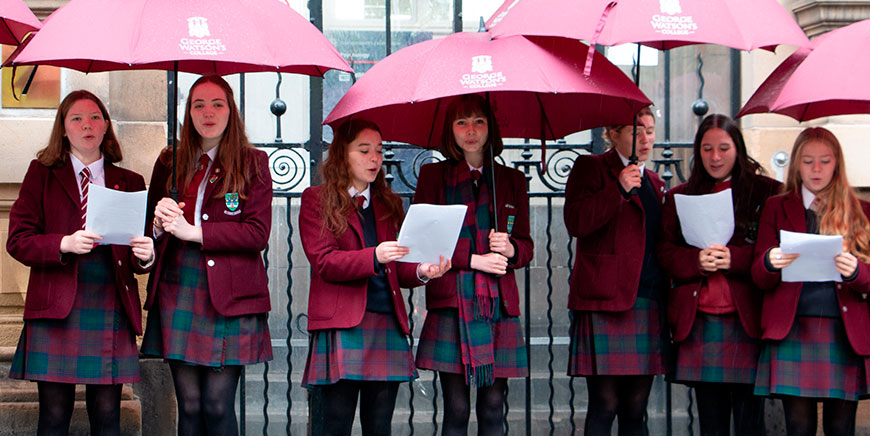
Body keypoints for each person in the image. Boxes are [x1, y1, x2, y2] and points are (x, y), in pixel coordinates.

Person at [7, 90, 154, 436]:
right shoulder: (41, 174)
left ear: (106, 128)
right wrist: (64, 243)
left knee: (108, 417)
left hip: (109, 301)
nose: (86, 125)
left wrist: (146, 256)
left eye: (95, 117)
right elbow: (18, 241)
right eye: (76, 118)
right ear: (63, 129)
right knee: (54, 416)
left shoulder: (130, 181)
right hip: (57, 304)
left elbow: (137, 253)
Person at [299, 119, 450, 435]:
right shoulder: (317, 200)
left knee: (379, 426)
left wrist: (422, 271)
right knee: (334, 425)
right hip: (343, 325)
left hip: (387, 322)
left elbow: (400, 264)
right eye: (364, 150)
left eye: (379, 151)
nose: (374, 159)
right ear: (342, 154)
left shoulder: (388, 203)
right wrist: (374, 255)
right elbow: (325, 262)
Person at [141, 75, 273, 436]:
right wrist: (157, 224)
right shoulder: (170, 160)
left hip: (229, 296)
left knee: (216, 405)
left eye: (217, 104)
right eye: (198, 104)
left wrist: (193, 232)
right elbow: (146, 233)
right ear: (188, 112)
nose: (208, 112)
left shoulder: (253, 163)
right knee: (190, 406)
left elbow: (257, 233)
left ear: (231, 111)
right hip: (178, 285)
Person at [412, 94, 533, 436]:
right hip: (453, 303)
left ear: (490, 127)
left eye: (479, 121)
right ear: (450, 130)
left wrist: (510, 248)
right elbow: (425, 240)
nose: (471, 130)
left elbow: (526, 246)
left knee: (494, 408)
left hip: (498, 305)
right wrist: (475, 259)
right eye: (461, 122)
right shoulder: (434, 177)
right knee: (457, 408)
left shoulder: (510, 180)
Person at [657, 114, 781, 435]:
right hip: (699, 321)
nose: (715, 157)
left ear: (738, 149)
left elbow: (775, 251)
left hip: (746, 320)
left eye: (724, 148)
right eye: (707, 148)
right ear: (697, 151)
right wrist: (697, 260)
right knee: (711, 421)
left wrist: (734, 259)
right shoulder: (680, 196)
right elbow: (666, 254)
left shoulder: (767, 193)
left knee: (750, 423)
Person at [752, 127, 870, 436]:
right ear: (796, 165)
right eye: (807, 161)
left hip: (842, 331)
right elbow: (758, 277)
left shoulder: (861, 211)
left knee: (840, 428)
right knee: (798, 427)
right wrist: (770, 261)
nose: (816, 169)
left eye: (824, 161)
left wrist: (856, 271)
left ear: (837, 164)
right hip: (793, 328)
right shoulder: (777, 207)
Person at [563, 107, 667, 435]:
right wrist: (617, 190)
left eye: (650, 130)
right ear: (614, 134)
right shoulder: (591, 168)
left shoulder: (655, 182)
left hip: (646, 298)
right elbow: (577, 222)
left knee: (636, 409)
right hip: (603, 299)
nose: (646, 138)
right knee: (604, 404)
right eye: (637, 131)